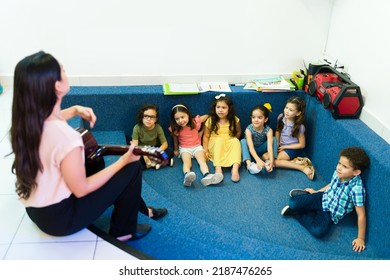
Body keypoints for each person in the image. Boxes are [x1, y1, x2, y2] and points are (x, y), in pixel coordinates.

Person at [10, 51, 165, 242]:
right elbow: (81, 189)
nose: (66, 73)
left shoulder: (23, 124)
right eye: (63, 70)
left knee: (94, 160)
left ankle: (141, 209)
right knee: (132, 169)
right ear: (57, 85)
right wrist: (123, 161)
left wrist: (74, 110)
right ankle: (123, 231)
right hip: (62, 220)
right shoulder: (66, 138)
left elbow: (47, 120)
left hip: (35, 211)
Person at [281, 147, 370, 252]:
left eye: (345, 166)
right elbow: (331, 185)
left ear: (356, 172)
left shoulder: (357, 189)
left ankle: (296, 213)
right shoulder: (338, 173)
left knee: (318, 231)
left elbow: (361, 215)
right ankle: (307, 196)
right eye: (339, 163)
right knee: (293, 202)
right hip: (323, 198)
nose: (339, 168)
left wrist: (360, 238)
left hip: (330, 213)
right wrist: (316, 192)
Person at [169, 103, 223, 187]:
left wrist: (202, 131)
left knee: (202, 160)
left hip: (197, 146)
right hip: (184, 148)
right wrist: (176, 149)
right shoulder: (176, 128)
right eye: (177, 119)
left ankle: (207, 175)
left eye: (182, 117)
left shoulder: (194, 121)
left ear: (188, 115)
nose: (180, 120)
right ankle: (187, 175)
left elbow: (206, 116)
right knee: (187, 162)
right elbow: (175, 139)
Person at [203, 94, 242, 183]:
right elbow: (206, 136)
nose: (220, 110)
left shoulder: (234, 120)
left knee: (236, 141)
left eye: (224, 108)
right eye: (218, 107)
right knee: (219, 141)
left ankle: (235, 169)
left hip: (229, 140)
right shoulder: (211, 120)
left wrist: (233, 139)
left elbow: (239, 131)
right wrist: (205, 150)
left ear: (229, 109)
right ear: (215, 108)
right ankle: (218, 168)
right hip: (216, 143)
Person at [274, 96, 315, 180]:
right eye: (286, 108)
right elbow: (278, 131)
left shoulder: (299, 126)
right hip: (282, 146)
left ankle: (302, 168)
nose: (287, 111)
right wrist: (277, 142)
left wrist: (285, 147)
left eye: (291, 110)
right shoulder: (281, 117)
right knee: (265, 157)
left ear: (298, 113)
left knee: (276, 162)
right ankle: (296, 161)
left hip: (292, 148)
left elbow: (302, 145)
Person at [132, 103, 173, 169]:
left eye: (152, 117)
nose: (148, 119)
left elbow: (165, 144)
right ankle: (161, 162)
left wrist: (155, 153)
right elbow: (135, 146)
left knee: (170, 151)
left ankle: (151, 164)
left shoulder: (158, 128)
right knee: (135, 160)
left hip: (154, 149)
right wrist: (145, 155)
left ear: (156, 119)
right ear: (142, 116)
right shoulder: (137, 128)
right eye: (146, 116)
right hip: (142, 150)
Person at [240, 103, 277, 174]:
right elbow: (250, 147)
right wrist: (258, 160)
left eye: (259, 118)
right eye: (253, 117)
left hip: (261, 148)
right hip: (251, 150)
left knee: (274, 139)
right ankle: (249, 164)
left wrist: (272, 161)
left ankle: (270, 160)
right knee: (243, 141)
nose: (256, 120)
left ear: (265, 119)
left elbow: (269, 147)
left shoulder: (268, 130)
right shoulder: (249, 129)